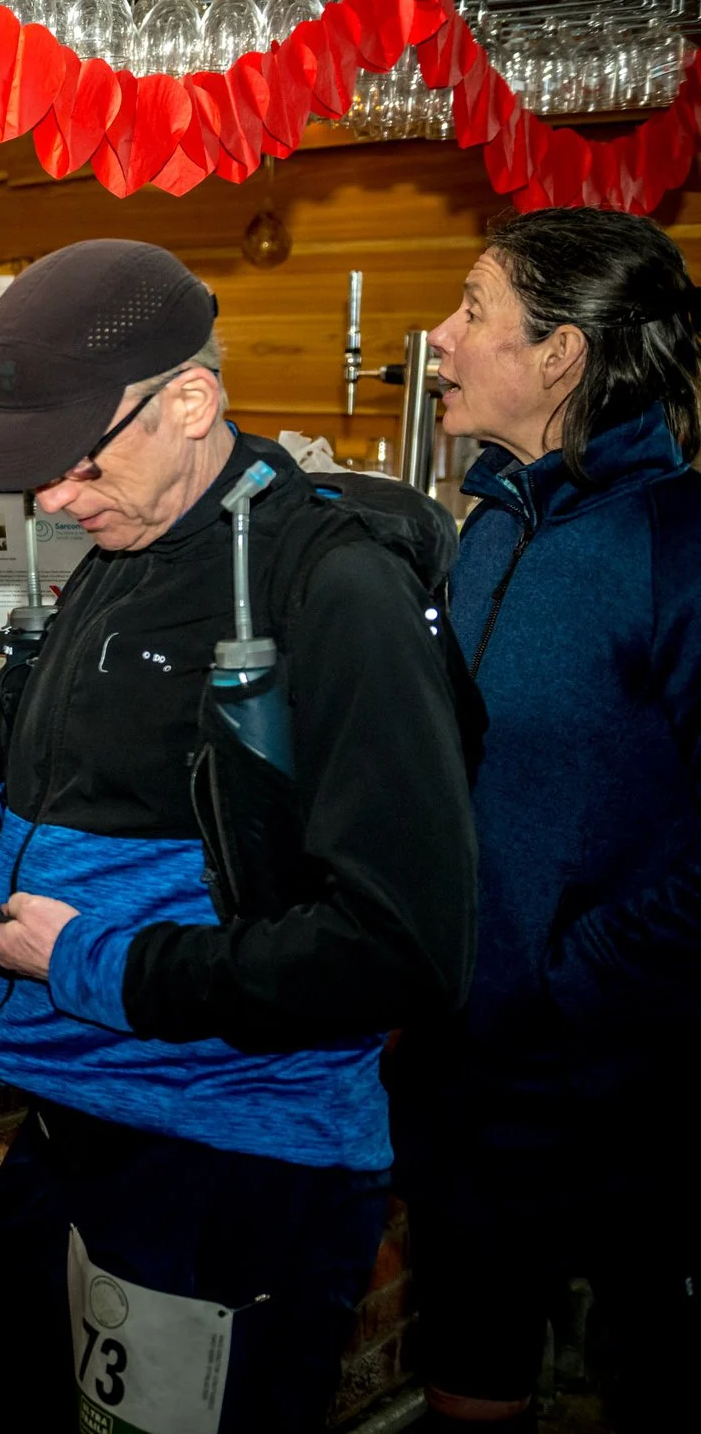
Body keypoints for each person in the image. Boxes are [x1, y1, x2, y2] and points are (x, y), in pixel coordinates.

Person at [0, 240, 477, 1432]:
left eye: (74, 460)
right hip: (68, 1127)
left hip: (230, 1164)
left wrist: (86, 959)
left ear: (188, 402)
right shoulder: (125, 533)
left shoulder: (332, 589)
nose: (51, 498)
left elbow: (398, 946)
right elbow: (14, 715)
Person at [399, 209, 701, 1434]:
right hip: (468, 1072)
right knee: (469, 1367)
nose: (440, 336)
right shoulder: (485, 531)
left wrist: (571, 977)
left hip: (634, 1078)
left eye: (473, 308)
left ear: (562, 354)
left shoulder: (675, 545)